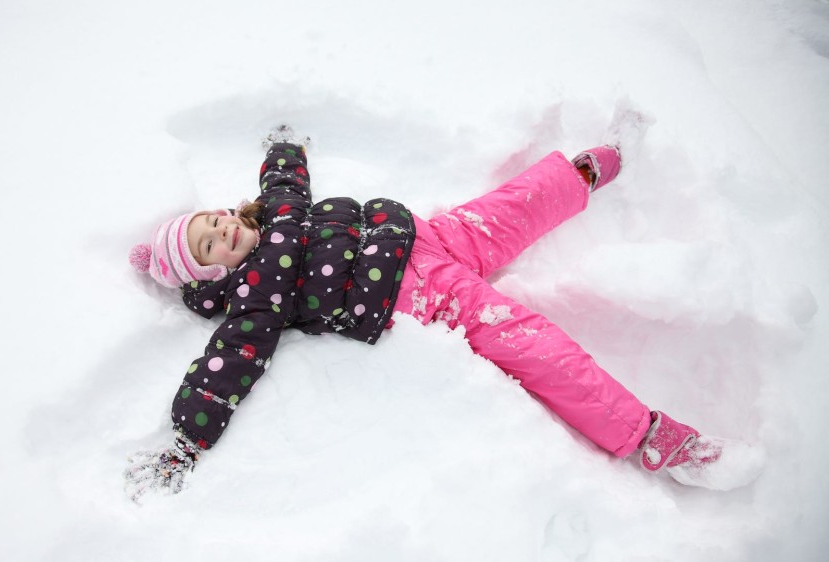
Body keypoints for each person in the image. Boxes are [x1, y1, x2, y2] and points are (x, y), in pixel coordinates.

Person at [123, 125, 763, 500]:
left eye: (212, 222)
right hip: (417, 294)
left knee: (508, 207)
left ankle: (580, 175)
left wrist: (283, 144)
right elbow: (228, 363)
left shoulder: (280, 211)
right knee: (529, 340)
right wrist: (186, 439)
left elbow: (284, 178)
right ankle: (648, 435)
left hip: (425, 238)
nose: (221, 232)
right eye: (208, 246)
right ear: (212, 274)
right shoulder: (255, 298)